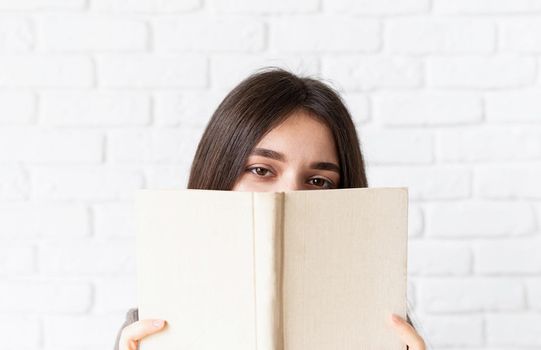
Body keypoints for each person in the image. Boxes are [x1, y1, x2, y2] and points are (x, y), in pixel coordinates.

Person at [114, 67, 427, 350]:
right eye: (261, 170)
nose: (288, 194)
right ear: (219, 175)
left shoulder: (382, 327)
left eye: (318, 181)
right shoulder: (153, 324)